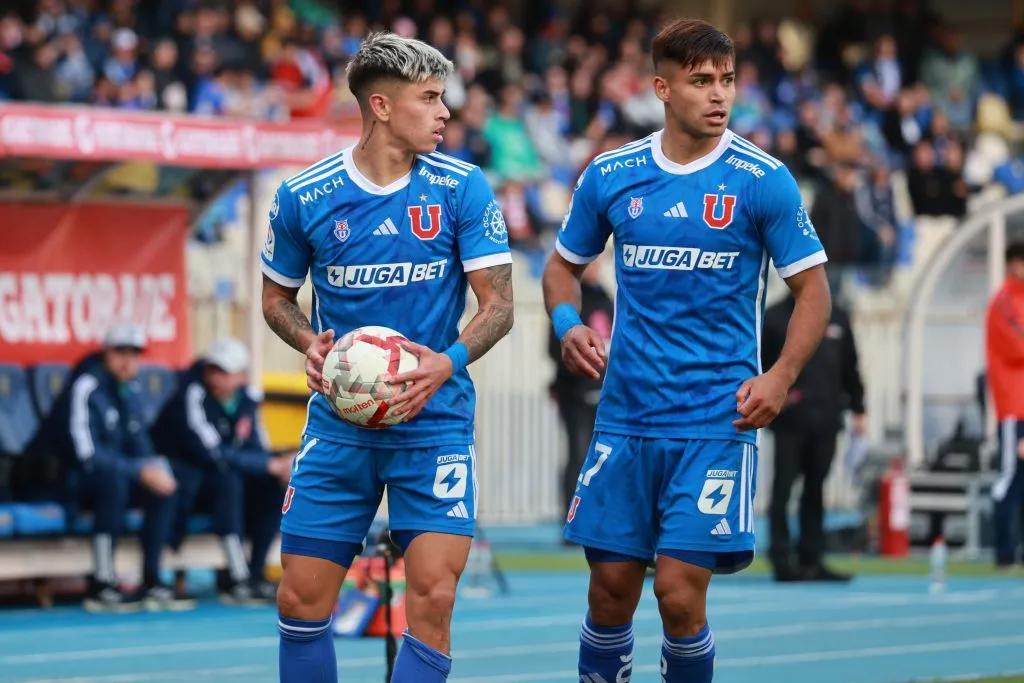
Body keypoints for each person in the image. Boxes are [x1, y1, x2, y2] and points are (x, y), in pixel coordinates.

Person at [542, 19, 831, 682]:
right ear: (662, 88)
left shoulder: (764, 180)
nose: (718, 94)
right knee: (608, 590)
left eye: (727, 80)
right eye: (702, 81)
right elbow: (561, 268)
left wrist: (781, 374)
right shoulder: (612, 174)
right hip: (625, 418)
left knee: (677, 593)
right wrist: (567, 322)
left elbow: (814, 293)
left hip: (713, 421)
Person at [259, 32, 514, 683]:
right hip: (339, 426)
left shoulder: (462, 188)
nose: (444, 112)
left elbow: (499, 305)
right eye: (428, 98)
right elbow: (275, 298)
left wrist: (445, 362)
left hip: (434, 424)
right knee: (300, 601)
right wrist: (307, 339)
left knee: (431, 599)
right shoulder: (305, 196)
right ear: (380, 105)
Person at [30, 323, 193, 612]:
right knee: (113, 483)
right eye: (121, 352)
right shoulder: (86, 385)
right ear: (106, 353)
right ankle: (102, 583)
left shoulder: (131, 390)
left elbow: (140, 444)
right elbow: (86, 454)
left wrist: (154, 469)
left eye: (134, 353)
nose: (128, 360)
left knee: (166, 483)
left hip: (113, 474)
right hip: (70, 479)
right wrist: (138, 471)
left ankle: (152, 578)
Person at [150, 337, 293, 604]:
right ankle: (237, 579)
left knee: (274, 486)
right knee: (230, 481)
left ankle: (255, 574)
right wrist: (267, 464)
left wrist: (280, 463)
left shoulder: (248, 401)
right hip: (188, 483)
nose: (216, 377)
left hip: (226, 478)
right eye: (213, 369)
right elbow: (210, 452)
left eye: (225, 371)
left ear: (241, 376)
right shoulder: (190, 396)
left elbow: (257, 448)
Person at [762, 291, 865, 582]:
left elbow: (850, 366)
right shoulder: (775, 317)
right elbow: (762, 363)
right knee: (782, 489)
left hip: (827, 419)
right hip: (789, 422)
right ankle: (781, 559)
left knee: (816, 490)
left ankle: (812, 557)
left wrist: (859, 409)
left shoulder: (837, 316)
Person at [547, 260, 613, 519]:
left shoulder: (607, 299)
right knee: (578, 455)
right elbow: (556, 348)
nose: (595, 267)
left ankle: (602, 519)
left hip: (606, 390)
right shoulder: (569, 305)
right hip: (575, 391)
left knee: (607, 458)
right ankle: (572, 518)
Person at [985, 242, 1024, 569]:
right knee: (1009, 476)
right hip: (1014, 406)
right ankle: (1003, 550)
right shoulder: (1005, 301)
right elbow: (1017, 346)